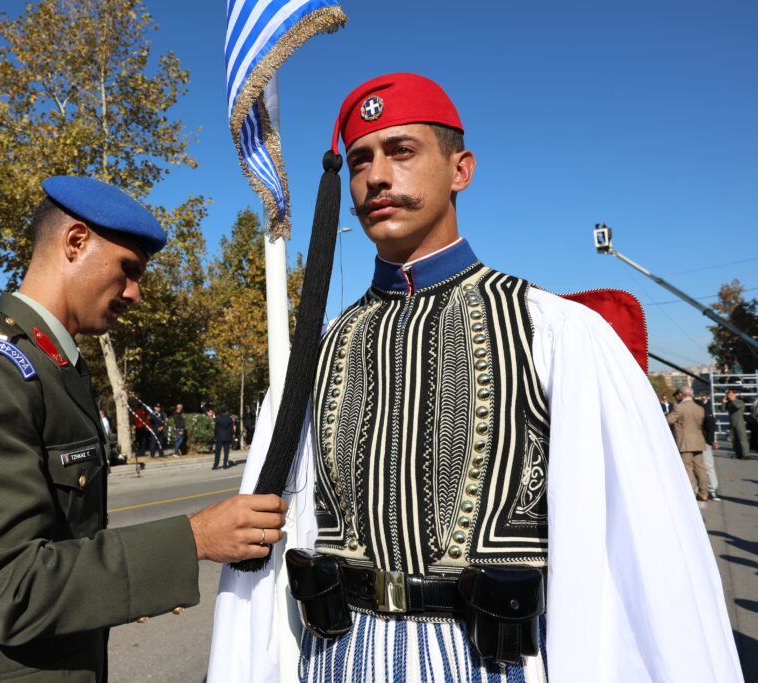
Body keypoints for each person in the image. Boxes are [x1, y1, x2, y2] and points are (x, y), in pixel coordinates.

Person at [209, 73, 741, 682]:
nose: (376, 176)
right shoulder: (319, 354)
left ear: (460, 169)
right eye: (359, 160)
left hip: (493, 662)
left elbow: (643, 552)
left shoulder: (555, 332)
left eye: (401, 151)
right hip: (336, 657)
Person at [0, 175, 287, 681]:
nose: (135, 294)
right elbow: (7, 591)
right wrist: (193, 538)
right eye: (128, 270)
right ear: (76, 241)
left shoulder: (54, 366)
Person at [667, 387, 709, 501]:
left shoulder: (679, 407)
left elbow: (668, 421)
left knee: (687, 469)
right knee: (700, 468)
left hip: (685, 442)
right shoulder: (700, 408)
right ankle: (704, 492)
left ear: (681, 394)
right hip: (698, 441)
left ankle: (689, 494)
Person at [696, 392, 720, 500]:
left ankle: (711, 489)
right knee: (706, 466)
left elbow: (711, 426)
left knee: (706, 466)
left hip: (702, 441)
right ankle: (710, 489)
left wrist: (712, 441)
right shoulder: (702, 407)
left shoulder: (706, 408)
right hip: (702, 441)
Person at [724, 388, 750, 459]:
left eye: (731, 394)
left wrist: (732, 399)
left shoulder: (739, 401)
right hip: (732, 422)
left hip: (739, 422)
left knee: (742, 439)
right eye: (728, 394)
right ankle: (738, 454)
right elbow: (723, 409)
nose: (729, 395)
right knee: (734, 440)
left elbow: (737, 406)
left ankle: (746, 454)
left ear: (734, 394)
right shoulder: (729, 403)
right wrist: (723, 402)